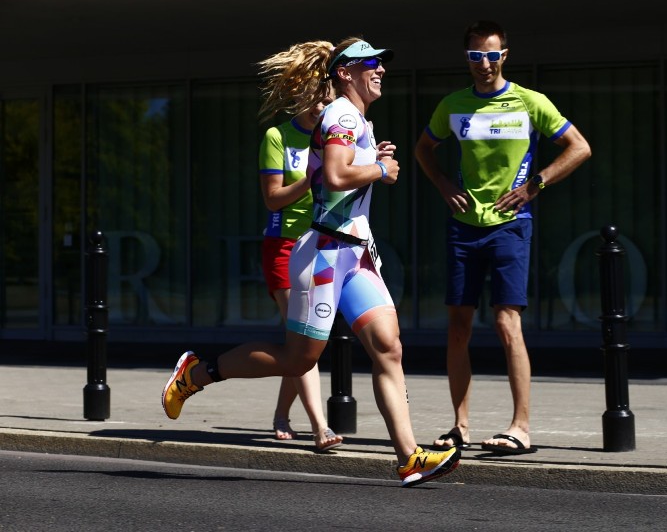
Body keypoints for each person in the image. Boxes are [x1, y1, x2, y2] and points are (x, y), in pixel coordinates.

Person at [162, 37, 462, 487]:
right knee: (298, 360)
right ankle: (197, 373)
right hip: (323, 254)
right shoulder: (341, 112)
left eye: (381, 64)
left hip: (356, 254)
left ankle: (409, 457)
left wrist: (374, 160)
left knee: (389, 347)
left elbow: (339, 174)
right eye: (370, 64)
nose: (380, 69)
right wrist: (381, 171)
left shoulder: (356, 118)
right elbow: (337, 176)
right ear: (345, 72)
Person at [413, 20, 591, 455]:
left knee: (506, 321)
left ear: (504, 55)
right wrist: (442, 184)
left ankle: (521, 427)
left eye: (491, 55)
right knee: (458, 326)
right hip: (463, 226)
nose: (484, 63)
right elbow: (422, 149)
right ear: (467, 58)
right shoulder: (453, 105)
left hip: (512, 224)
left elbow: (579, 147)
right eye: (476, 56)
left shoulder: (530, 102)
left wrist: (537, 185)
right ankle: (460, 426)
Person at [256, 41, 343, 451]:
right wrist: (311, 177)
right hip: (284, 246)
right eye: (311, 98)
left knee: (300, 342)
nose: (318, 107)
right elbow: (272, 198)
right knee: (302, 338)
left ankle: (280, 414)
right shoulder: (277, 136)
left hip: (324, 242)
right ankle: (320, 426)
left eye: (325, 99)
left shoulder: (337, 134)